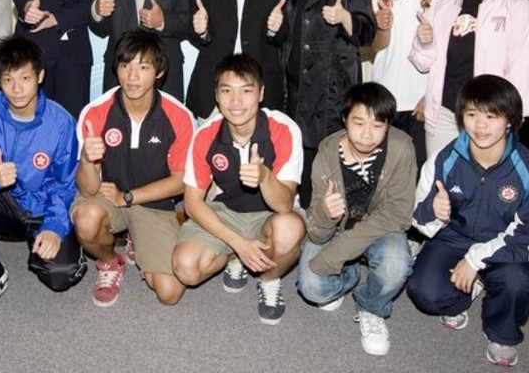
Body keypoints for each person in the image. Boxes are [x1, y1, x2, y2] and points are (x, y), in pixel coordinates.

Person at [408, 75, 529, 368]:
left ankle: (502, 333)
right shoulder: (443, 159)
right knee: (424, 291)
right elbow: (417, 219)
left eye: (492, 116)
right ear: (462, 118)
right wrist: (434, 213)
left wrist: (475, 260)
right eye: (472, 115)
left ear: (511, 120)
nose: (481, 125)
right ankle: (467, 293)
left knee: (518, 283)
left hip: (503, 245)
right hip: (453, 237)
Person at [0, 36, 86, 318]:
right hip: (2, 203)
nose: (17, 88)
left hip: (42, 209)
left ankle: (40, 244)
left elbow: (65, 184)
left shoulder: (60, 122)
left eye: (25, 77)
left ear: (40, 76)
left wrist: (54, 227)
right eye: (8, 79)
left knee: (60, 275)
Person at [172, 54, 305, 325]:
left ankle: (269, 280)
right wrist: (238, 244)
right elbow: (193, 203)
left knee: (290, 229)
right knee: (185, 268)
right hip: (226, 211)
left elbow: (284, 206)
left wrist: (265, 177)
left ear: (261, 94)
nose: (236, 102)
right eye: (227, 91)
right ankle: (236, 257)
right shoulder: (206, 134)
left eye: (246, 91)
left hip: (270, 214)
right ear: (216, 97)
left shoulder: (284, 129)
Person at [73, 29, 194, 306]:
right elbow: (88, 188)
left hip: (154, 204)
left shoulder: (179, 116)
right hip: (105, 197)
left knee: (170, 292)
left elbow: (180, 182)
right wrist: (86, 159)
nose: (132, 76)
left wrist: (128, 197)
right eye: (125, 66)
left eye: (143, 67)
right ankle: (110, 262)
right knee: (86, 220)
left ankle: (137, 238)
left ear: (159, 71)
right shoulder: (96, 112)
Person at [297, 82, 416, 356]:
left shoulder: (401, 148)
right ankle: (350, 274)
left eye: (377, 125)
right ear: (344, 120)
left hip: (381, 228)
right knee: (312, 288)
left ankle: (371, 307)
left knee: (396, 264)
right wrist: (326, 214)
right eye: (358, 122)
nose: (366, 134)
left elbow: (398, 215)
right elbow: (316, 233)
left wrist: (335, 255)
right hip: (337, 231)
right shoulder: (326, 153)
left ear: (388, 126)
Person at [409, 0, 529, 158]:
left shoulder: (517, 7)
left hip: (490, 116)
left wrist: (509, 117)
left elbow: (524, 69)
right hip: (446, 115)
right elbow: (423, 63)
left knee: (486, 184)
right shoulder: (444, 6)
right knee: (444, 181)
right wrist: (424, 41)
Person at [283, 0, 376, 209]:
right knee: (298, 160)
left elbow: (367, 32)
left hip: (331, 87)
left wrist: (345, 17)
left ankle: (328, 233)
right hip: (294, 83)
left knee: (329, 165)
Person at [370, 0, 460, 169]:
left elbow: (453, 51)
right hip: (385, 96)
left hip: (427, 99)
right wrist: (382, 27)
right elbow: (375, 47)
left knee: (426, 173)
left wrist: (431, 93)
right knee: (386, 173)